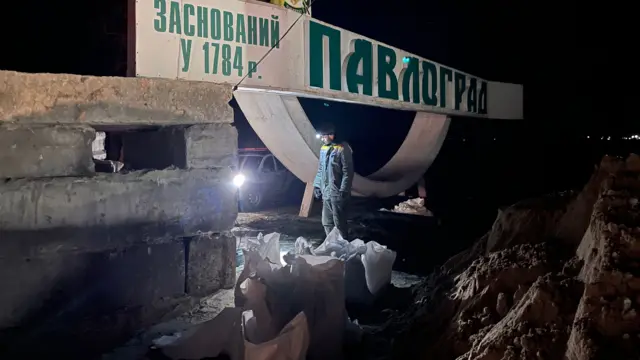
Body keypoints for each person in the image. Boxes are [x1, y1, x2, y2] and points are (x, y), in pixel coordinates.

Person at [313, 123, 354, 239]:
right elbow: (321, 169)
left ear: (332, 135)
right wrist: (317, 186)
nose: (322, 139)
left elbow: (348, 171)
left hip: (338, 194)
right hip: (326, 193)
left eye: (324, 136)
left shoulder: (343, 148)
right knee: (326, 222)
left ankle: (343, 247)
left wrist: (344, 190)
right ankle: (331, 244)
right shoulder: (323, 149)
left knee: (339, 223)